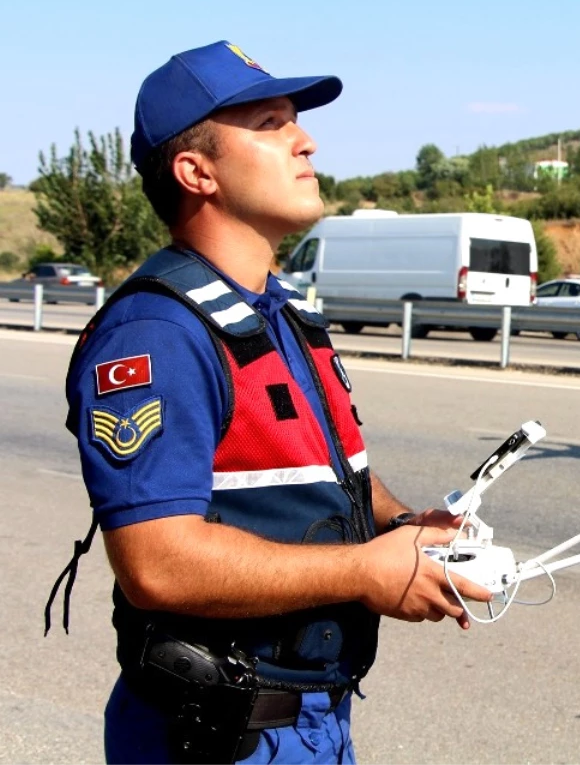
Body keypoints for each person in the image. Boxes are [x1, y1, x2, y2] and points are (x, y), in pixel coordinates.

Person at [43, 40, 493, 765]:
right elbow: (158, 562)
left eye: (297, 122)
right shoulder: (159, 332)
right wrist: (368, 569)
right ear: (197, 171)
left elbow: (320, 471)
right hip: (214, 734)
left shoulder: (276, 313)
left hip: (308, 722)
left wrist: (410, 526)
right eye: (273, 122)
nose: (305, 140)